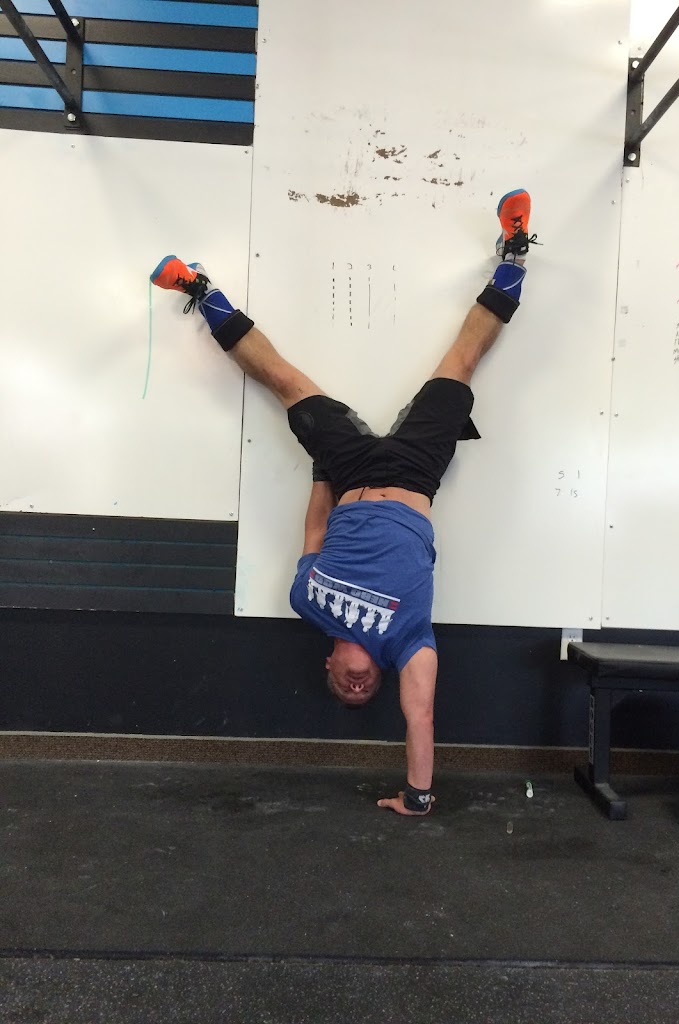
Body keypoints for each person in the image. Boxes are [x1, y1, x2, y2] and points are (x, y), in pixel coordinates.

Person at [151, 189, 535, 816]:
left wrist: (323, 468)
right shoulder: (409, 644)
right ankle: (515, 254)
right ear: (377, 674)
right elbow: (421, 717)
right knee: (462, 364)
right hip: (415, 475)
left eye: (344, 688)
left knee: (284, 382)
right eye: (364, 690)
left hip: (349, 471)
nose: (356, 685)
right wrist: (418, 797)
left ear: (328, 664)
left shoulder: (307, 601)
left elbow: (314, 531)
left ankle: (199, 286)